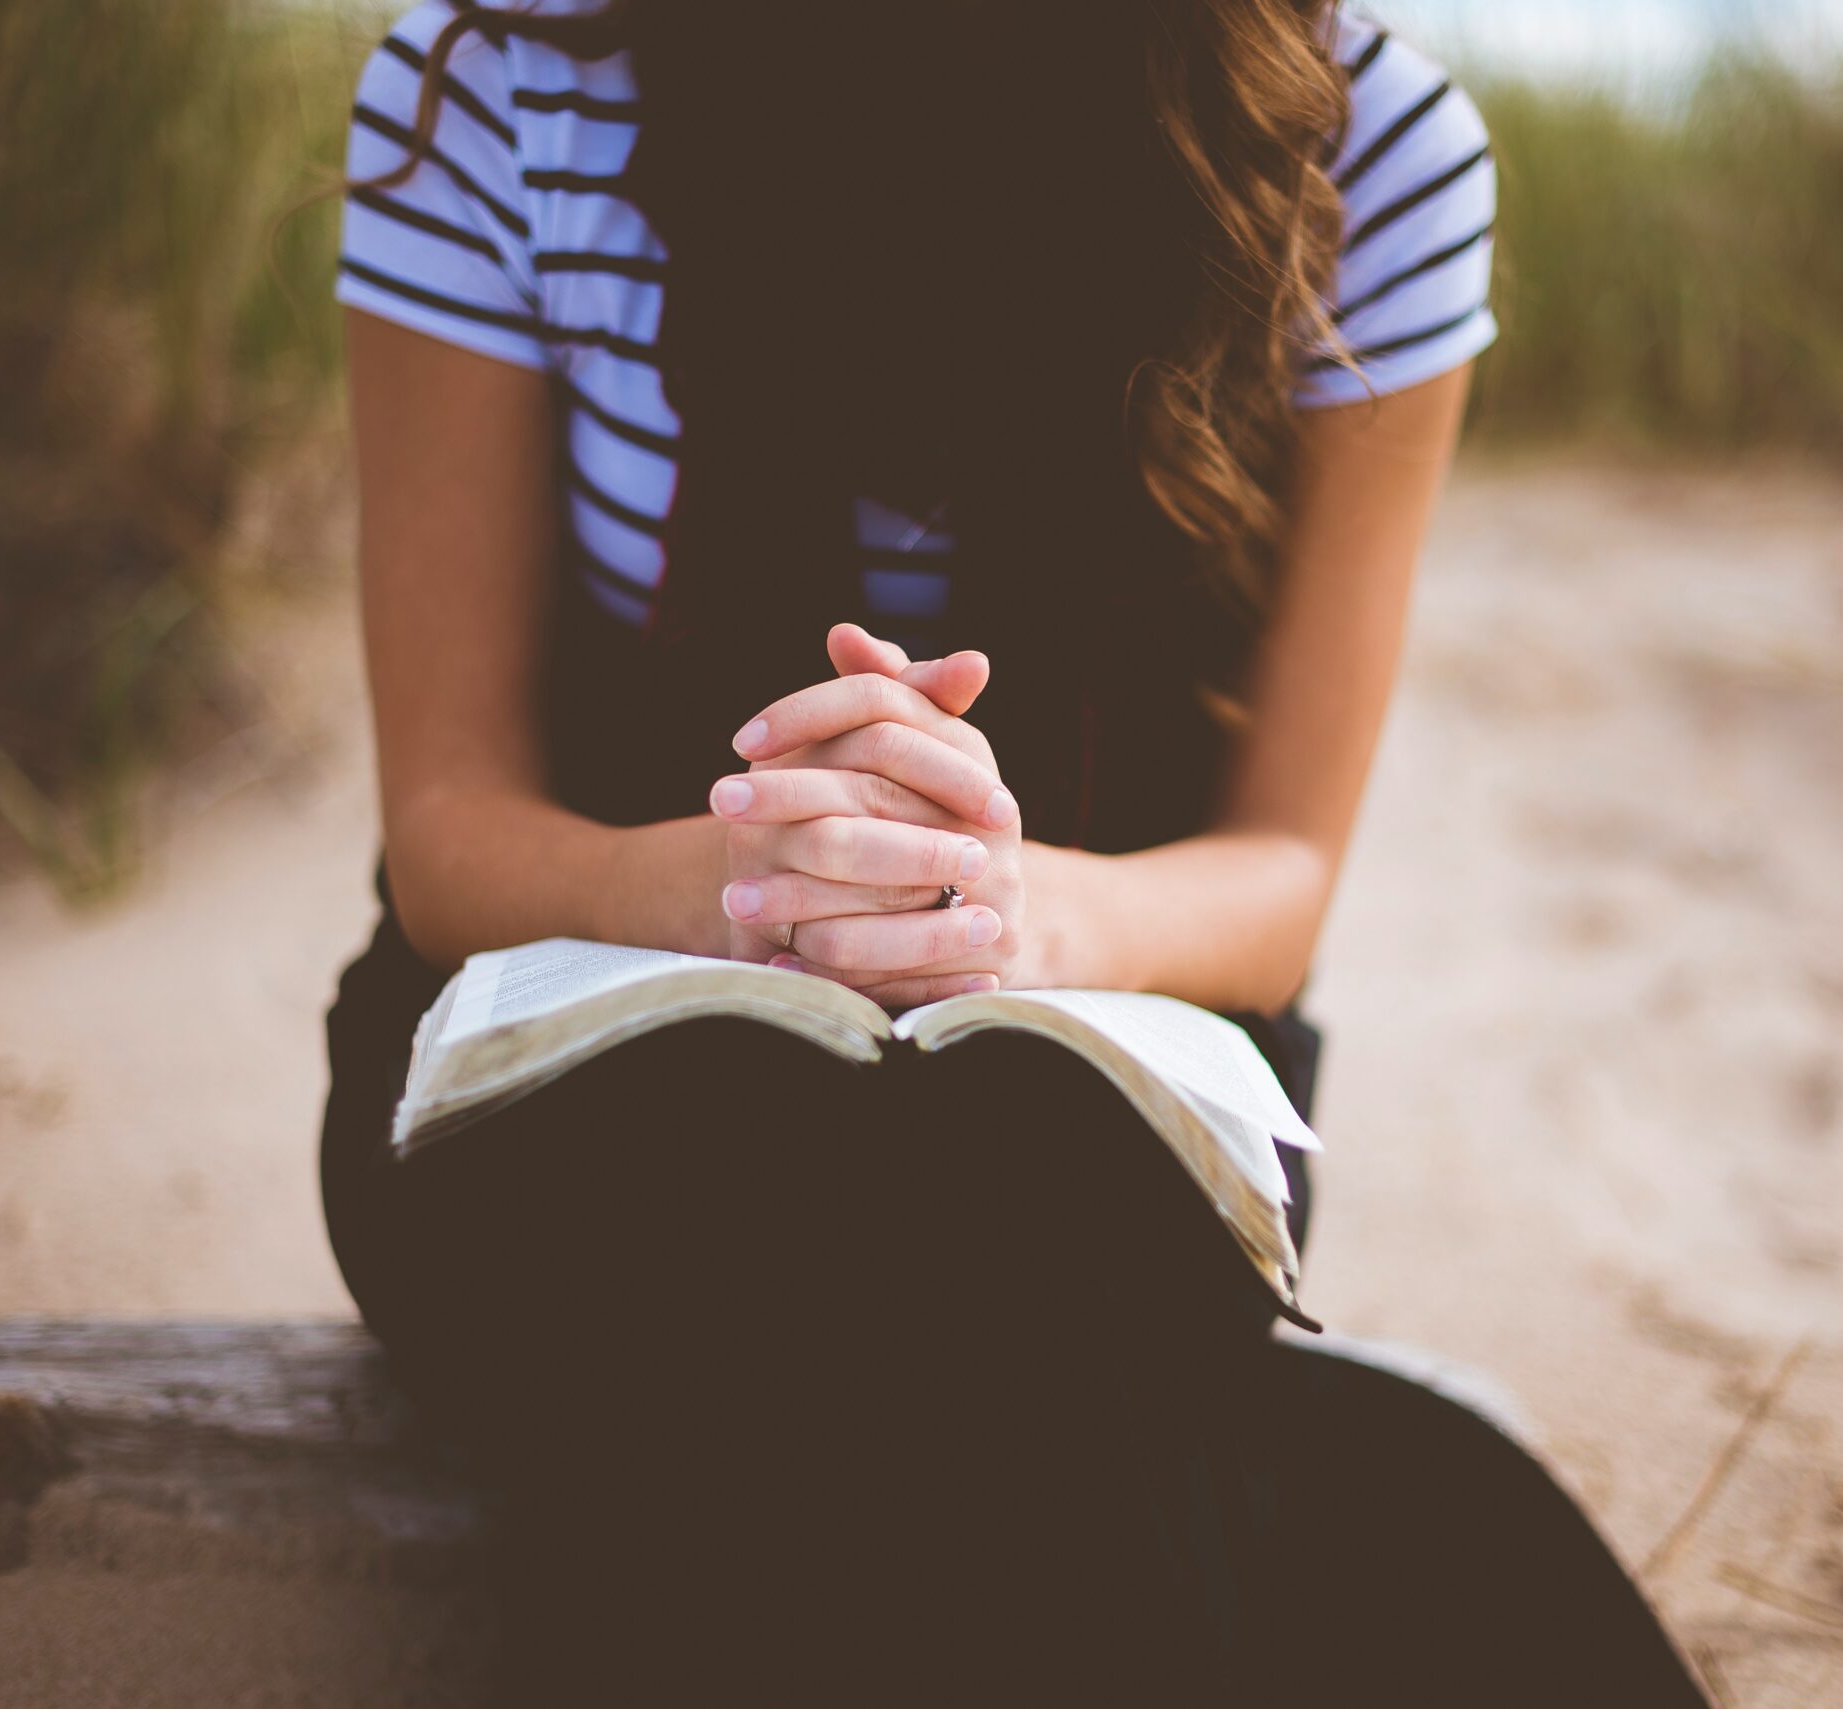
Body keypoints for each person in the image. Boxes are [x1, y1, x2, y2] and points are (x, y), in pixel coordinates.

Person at [318, 1, 1710, 1700]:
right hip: (569, 1037)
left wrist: (1005, 912)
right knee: (775, 1257)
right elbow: (449, 832)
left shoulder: (1367, 157)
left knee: (1006, 1240)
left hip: (1103, 1062)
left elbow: (1280, 876)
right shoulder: (512, 83)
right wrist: (758, 887)